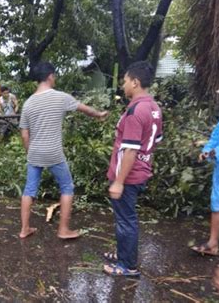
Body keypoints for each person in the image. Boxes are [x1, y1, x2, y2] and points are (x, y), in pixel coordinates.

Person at [18, 61, 108, 239]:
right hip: (54, 153)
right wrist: (99, 114)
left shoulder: (28, 103)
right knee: (67, 187)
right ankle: (63, 230)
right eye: (55, 76)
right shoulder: (60, 97)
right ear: (50, 76)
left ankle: (24, 229)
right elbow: (85, 109)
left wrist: (30, 153)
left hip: (35, 153)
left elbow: (24, 134)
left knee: (29, 190)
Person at [103, 61, 163, 277]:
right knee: (125, 218)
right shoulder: (154, 108)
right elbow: (156, 140)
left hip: (128, 176)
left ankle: (127, 266)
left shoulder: (136, 110)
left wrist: (119, 181)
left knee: (125, 220)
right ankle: (122, 254)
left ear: (135, 83)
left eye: (126, 81)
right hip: (140, 171)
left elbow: (130, 150)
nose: (123, 85)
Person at [191, 79, 219, 256]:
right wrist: (207, 150)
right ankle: (212, 244)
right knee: (218, 203)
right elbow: (216, 135)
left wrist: (218, 151)